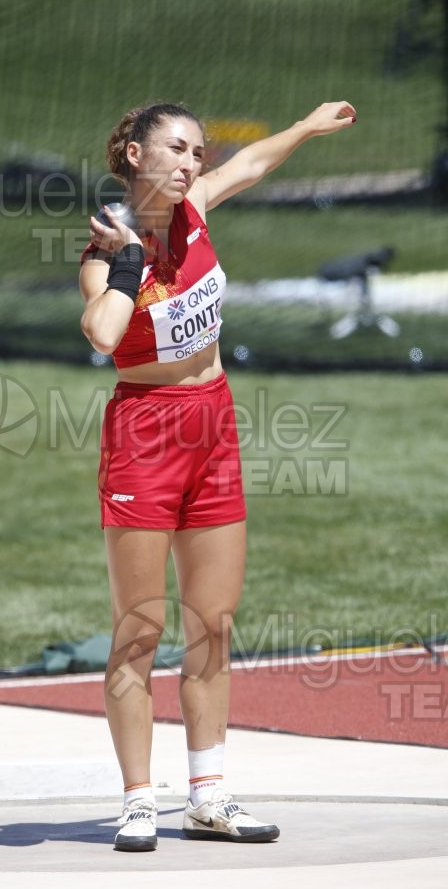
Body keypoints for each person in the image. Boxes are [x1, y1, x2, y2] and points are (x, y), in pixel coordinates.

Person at [79, 99, 356, 851]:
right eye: (175, 149)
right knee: (140, 631)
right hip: (145, 435)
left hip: (214, 424)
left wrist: (304, 127)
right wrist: (130, 265)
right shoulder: (109, 246)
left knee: (212, 627)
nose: (191, 164)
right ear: (135, 155)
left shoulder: (197, 208)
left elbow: (252, 164)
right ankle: (139, 800)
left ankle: (208, 794)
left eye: (197, 153)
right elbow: (103, 335)